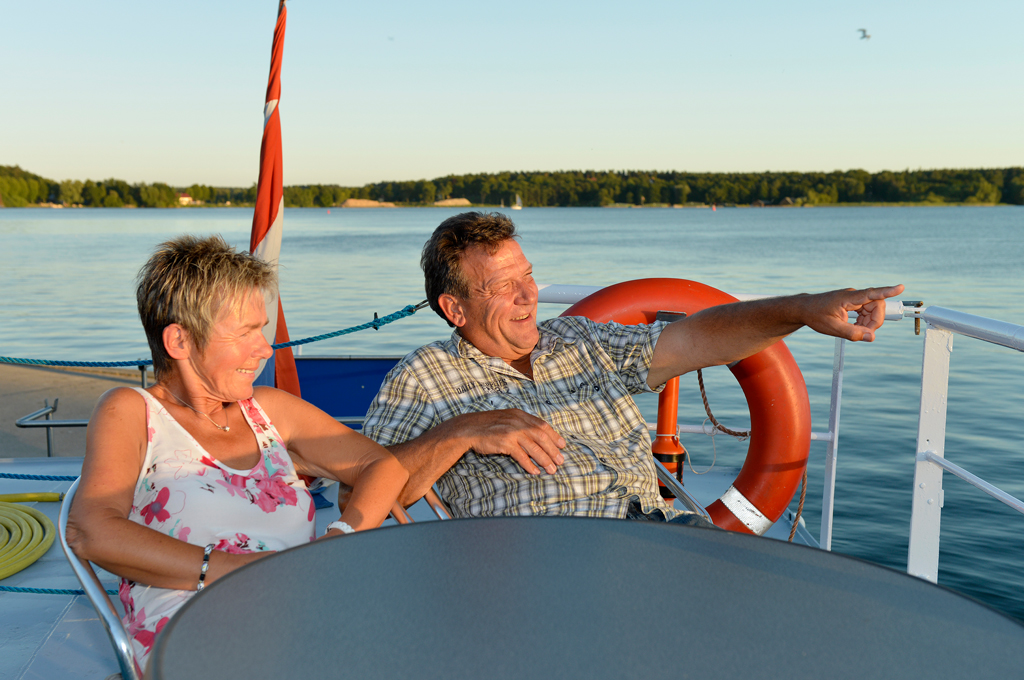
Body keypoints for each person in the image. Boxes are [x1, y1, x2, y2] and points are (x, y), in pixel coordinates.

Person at [362, 211, 902, 524]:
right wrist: (464, 431)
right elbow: (359, 493)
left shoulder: (579, 338)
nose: (531, 294)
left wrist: (803, 310)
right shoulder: (423, 377)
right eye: (504, 286)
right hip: (536, 562)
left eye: (528, 275)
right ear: (454, 308)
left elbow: (697, 339)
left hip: (657, 536)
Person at [67, 235, 408, 672]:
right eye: (246, 332)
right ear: (180, 341)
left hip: (299, 609)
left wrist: (335, 543)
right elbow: (91, 530)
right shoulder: (132, 412)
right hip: (191, 623)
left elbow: (381, 465)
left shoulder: (271, 410)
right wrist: (238, 569)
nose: (265, 348)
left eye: (262, 329)